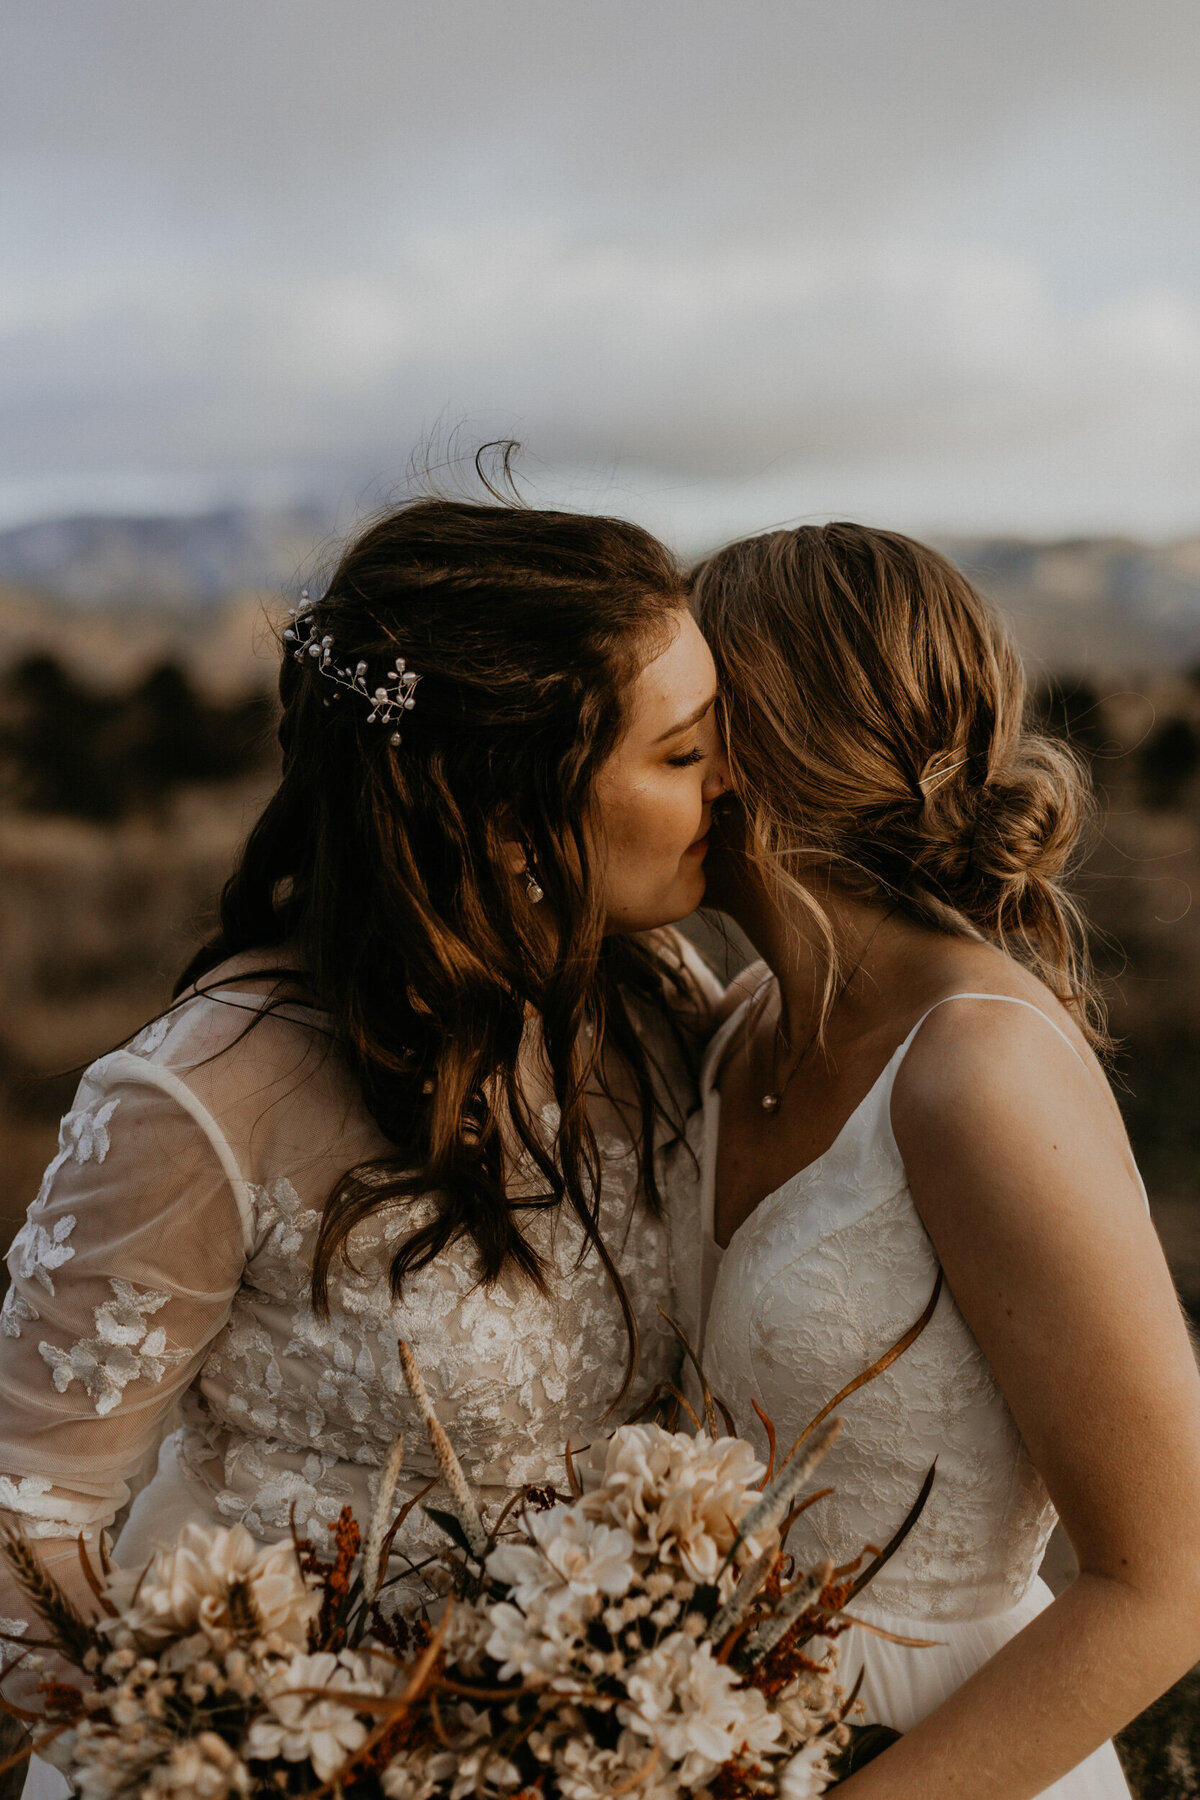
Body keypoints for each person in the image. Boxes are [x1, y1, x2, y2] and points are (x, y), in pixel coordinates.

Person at [0, 494, 729, 1791]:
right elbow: (30, 1521)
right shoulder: (205, 1095)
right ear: (506, 815)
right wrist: (210, 1753)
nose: (729, 783)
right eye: (682, 756)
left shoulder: (661, 1000)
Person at [687, 523, 1200, 1798]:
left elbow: (1169, 1582)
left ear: (763, 751)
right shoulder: (734, 1019)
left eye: (677, 723)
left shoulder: (978, 1070)